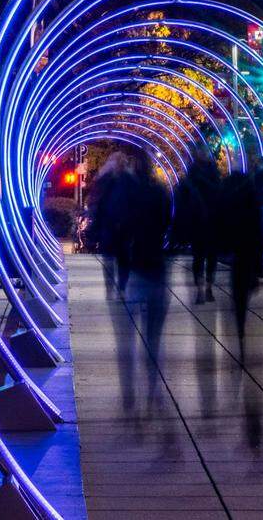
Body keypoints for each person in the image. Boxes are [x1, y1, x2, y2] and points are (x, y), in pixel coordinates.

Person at [125, 153, 172, 365]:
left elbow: (125, 226)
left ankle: (133, 362)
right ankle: (152, 360)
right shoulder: (159, 192)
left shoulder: (132, 195)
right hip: (156, 262)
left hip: (137, 262)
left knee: (131, 320)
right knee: (154, 323)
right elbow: (167, 221)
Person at [220, 170, 263, 361]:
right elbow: (259, 234)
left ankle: (239, 324)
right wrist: (259, 266)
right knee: (243, 289)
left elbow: (221, 226)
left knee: (237, 289)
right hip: (249, 252)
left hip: (237, 253)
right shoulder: (253, 204)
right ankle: (241, 322)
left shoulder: (228, 203)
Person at [173, 144, 222, 303]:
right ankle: (203, 288)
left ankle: (206, 287)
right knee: (201, 256)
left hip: (208, 220)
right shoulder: (198, 172)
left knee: (206, 256)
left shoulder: (198, 173)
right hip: (202, 221)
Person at [88, 151, 134, 294]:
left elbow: (96, 203)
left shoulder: (105, 179)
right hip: (119, 225)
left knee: (113, 258)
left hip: (111, 225)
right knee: (121, 258)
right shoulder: (128, 180)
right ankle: (120, 286)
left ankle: (114, 287)